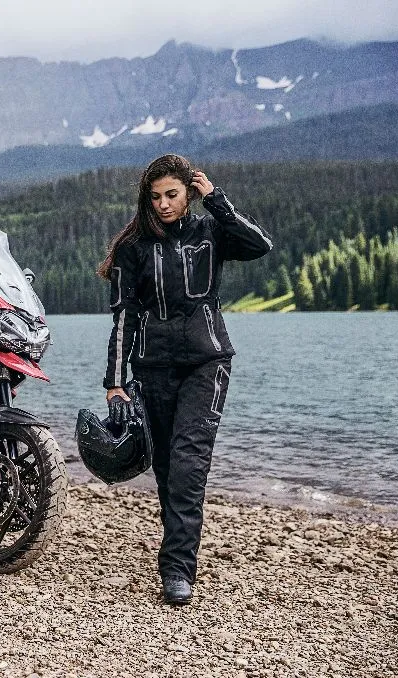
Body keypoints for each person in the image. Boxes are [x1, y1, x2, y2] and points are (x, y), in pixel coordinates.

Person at [96, 154, 273, 605]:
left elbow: (259, 245)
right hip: (151, 368)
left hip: (206, 363)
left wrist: (217, 200)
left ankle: (177, 570)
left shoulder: (211, 231)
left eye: (172, 194)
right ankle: (177, 554)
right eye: (155, 197)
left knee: (189, 464)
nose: (163, 204)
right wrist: (115, 381)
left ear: (189, 193)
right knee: (166, 468)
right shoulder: (133, 247)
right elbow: (124, 317)